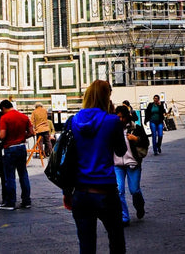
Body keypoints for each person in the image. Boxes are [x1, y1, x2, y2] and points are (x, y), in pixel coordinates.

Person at [64, 80, 127, 254]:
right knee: (117, 243)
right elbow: (121, 151)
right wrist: (113, 119)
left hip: (81, 193)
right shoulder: (112, 121)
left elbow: (68, 159)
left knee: (86, 246)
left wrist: (67, 192)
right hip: (106, 191)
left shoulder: (72, 121)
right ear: (106, 97)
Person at [113, 104, 148, 225]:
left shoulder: (136, 128)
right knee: (119, 190)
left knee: (134, 190)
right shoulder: (113, 130)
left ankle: (139, 205)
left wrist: (136, 139)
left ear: (127, 117)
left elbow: (146, 142)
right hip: (117, 164)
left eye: (122, 117)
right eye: (118, 117)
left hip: (132, 163)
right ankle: (124, 216)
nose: (120, 119)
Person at [0, 99, 34, 211]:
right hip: (21, 147)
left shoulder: (5, 118)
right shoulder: (24, 117)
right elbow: (31, 132)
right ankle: (26, 201)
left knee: (10, 176)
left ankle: (10, 202)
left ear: (3, 108)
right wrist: (22, 137)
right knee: (23, 174)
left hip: (10, 148)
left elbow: (2, 135)